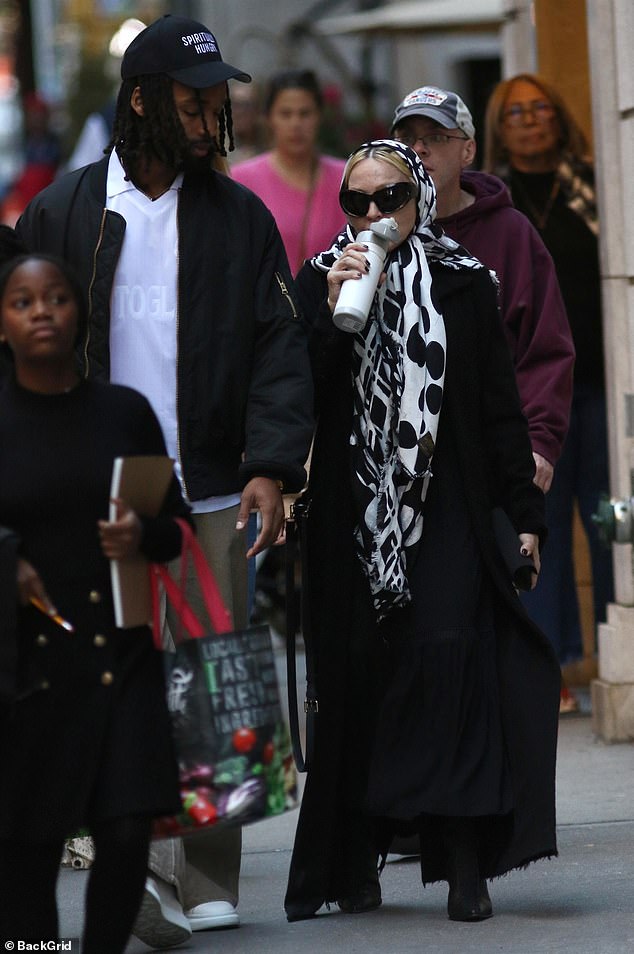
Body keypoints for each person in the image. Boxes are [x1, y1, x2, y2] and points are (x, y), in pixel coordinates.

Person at [16, 13, 314, 950]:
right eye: (193, 98)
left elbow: (278, 347)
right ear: (142, 99)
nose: (210, 115)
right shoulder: (65, 209)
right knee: (120, 681)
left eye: (217, 100)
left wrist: (272, 468)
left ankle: (211, 872)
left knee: (215, 678)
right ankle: (141, 869)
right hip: (100, 488)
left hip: (216, 483)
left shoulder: (238, 216)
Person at [283, 139, 561, 924]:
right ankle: (358, 859)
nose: (374, 216)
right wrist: (333, 317)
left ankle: (465, 863)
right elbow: (296, 396)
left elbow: (497, 409)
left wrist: (526, 518)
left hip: (446, 510)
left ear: (423, 198)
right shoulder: (320, 277)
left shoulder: (464, 282)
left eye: (391, 198)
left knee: (451, 669)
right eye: (357, 202)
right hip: (352, 517)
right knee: (359, 680)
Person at [0, 252, 190, 953]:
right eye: (23, 301)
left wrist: (142, 531)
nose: (42, 310)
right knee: (27, 858)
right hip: (28, 673)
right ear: (3, 322)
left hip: (121, 658)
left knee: (126, 829)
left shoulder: (123, 412)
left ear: (79, 312)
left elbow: (176, 530)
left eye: (55, 297)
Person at [483, 74, 612, 712]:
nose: (531, 121)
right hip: (532, 396)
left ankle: (624, 651)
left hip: (604, 387)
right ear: (497, 128)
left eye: (540, 109)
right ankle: (550, 667)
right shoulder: (493, 202)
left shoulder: (598, 184)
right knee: (540, 530)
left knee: (613, 519)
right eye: (516, 113)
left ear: (559, 117)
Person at [390, 85, 574, 496]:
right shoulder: (377, 228)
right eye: (406, 139)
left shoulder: (511, 232)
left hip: (494, 454)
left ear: (468, 151)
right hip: (398, 461)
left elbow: (546, 348)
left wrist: (539, 442)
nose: (419, 150)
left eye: (435, 138)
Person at [232, 69, 346, 274]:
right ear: (268, 118)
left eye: (305, 113)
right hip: (268, 303)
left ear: (319, 116)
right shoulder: (241, 180)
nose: (296, 124)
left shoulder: (346, 178)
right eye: (285, 114)